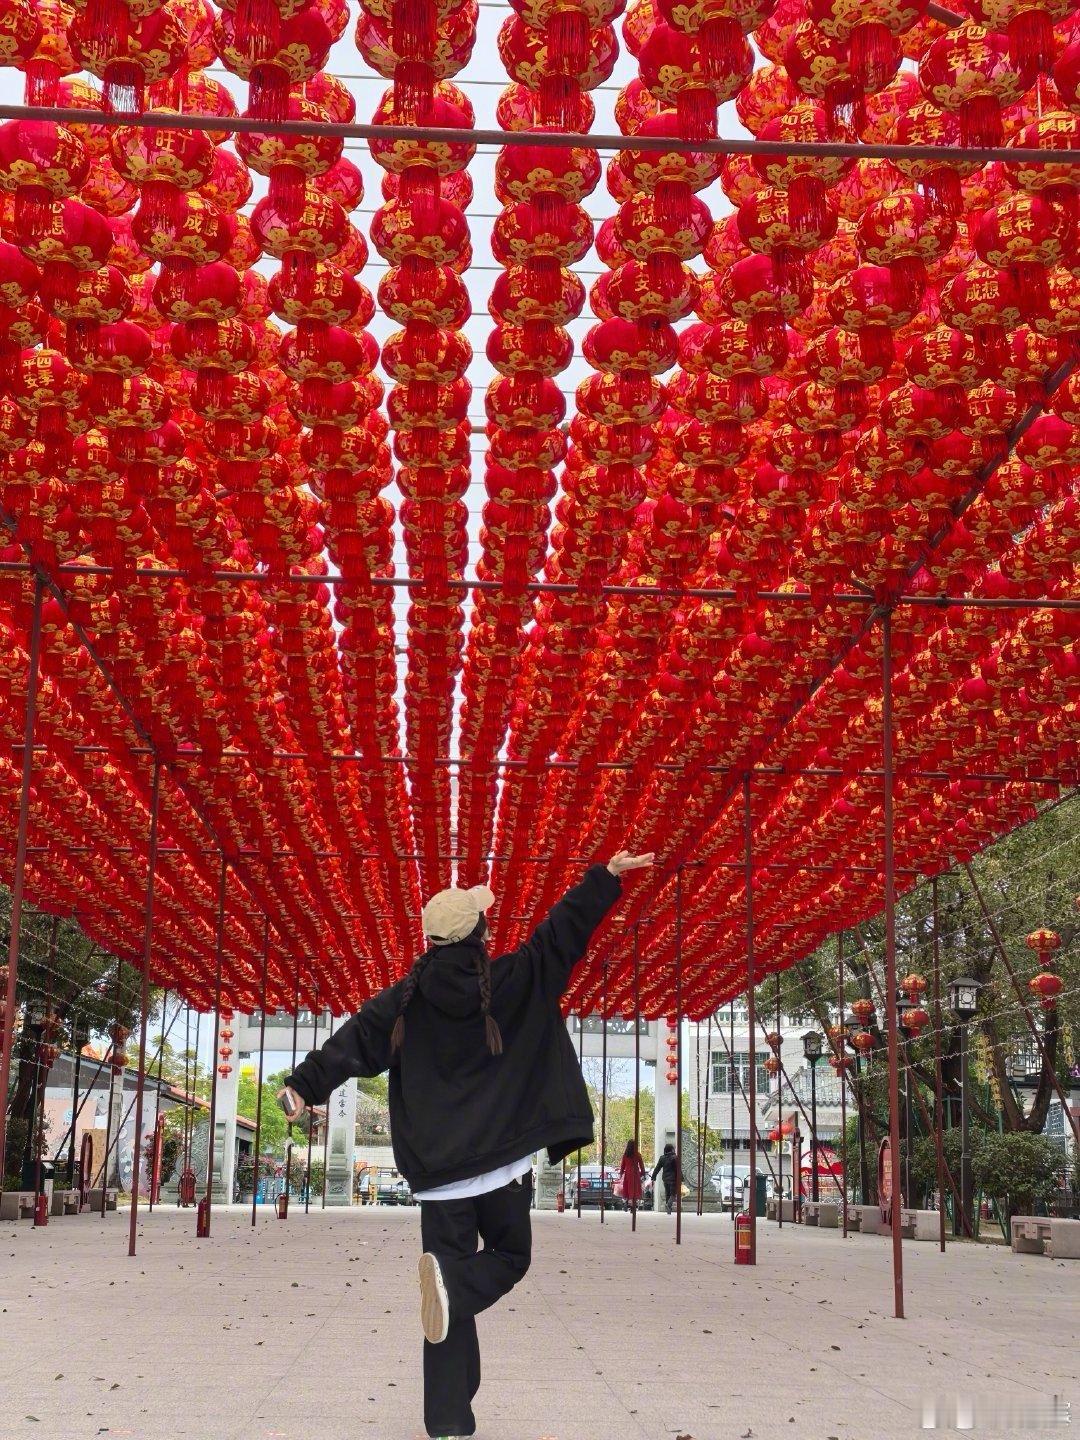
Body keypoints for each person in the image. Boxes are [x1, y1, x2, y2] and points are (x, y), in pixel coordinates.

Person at [277, 850, 654, 1440]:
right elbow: (563, 933)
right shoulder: (513, 978)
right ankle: (454, 1292)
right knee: (508, 1258)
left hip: (439, 1177)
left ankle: (449, 1418)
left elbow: (352, 1041)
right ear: (479, 933)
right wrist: (604, 878)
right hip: (502, 1168)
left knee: (445, 1292)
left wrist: (302, 1085)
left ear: (428, 941)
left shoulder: (402, 1001)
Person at [618, 1139, 647, 1219]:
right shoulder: (637, 1154)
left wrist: (621, 1173)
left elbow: (622, 1166)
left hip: (628, 1173)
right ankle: (633, 1208)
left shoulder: (625, 1155)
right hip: (635, 1174)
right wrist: (643, 1173)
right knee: (634, 1190)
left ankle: (627, 1202)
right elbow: (641, 1165)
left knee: (628, 1189)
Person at [652, 1142, 681, 1215]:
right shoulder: (675, 1158)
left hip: (665, 1179)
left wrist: (653, 1176)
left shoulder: (662, 1158)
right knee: (673, 1194)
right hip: (673, 1179)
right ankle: (669, 1205)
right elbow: (678, 1169)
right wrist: (681, 1179)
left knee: (667, 1194)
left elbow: (657, 1168)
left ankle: (669, 1210)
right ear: (672, 1149)